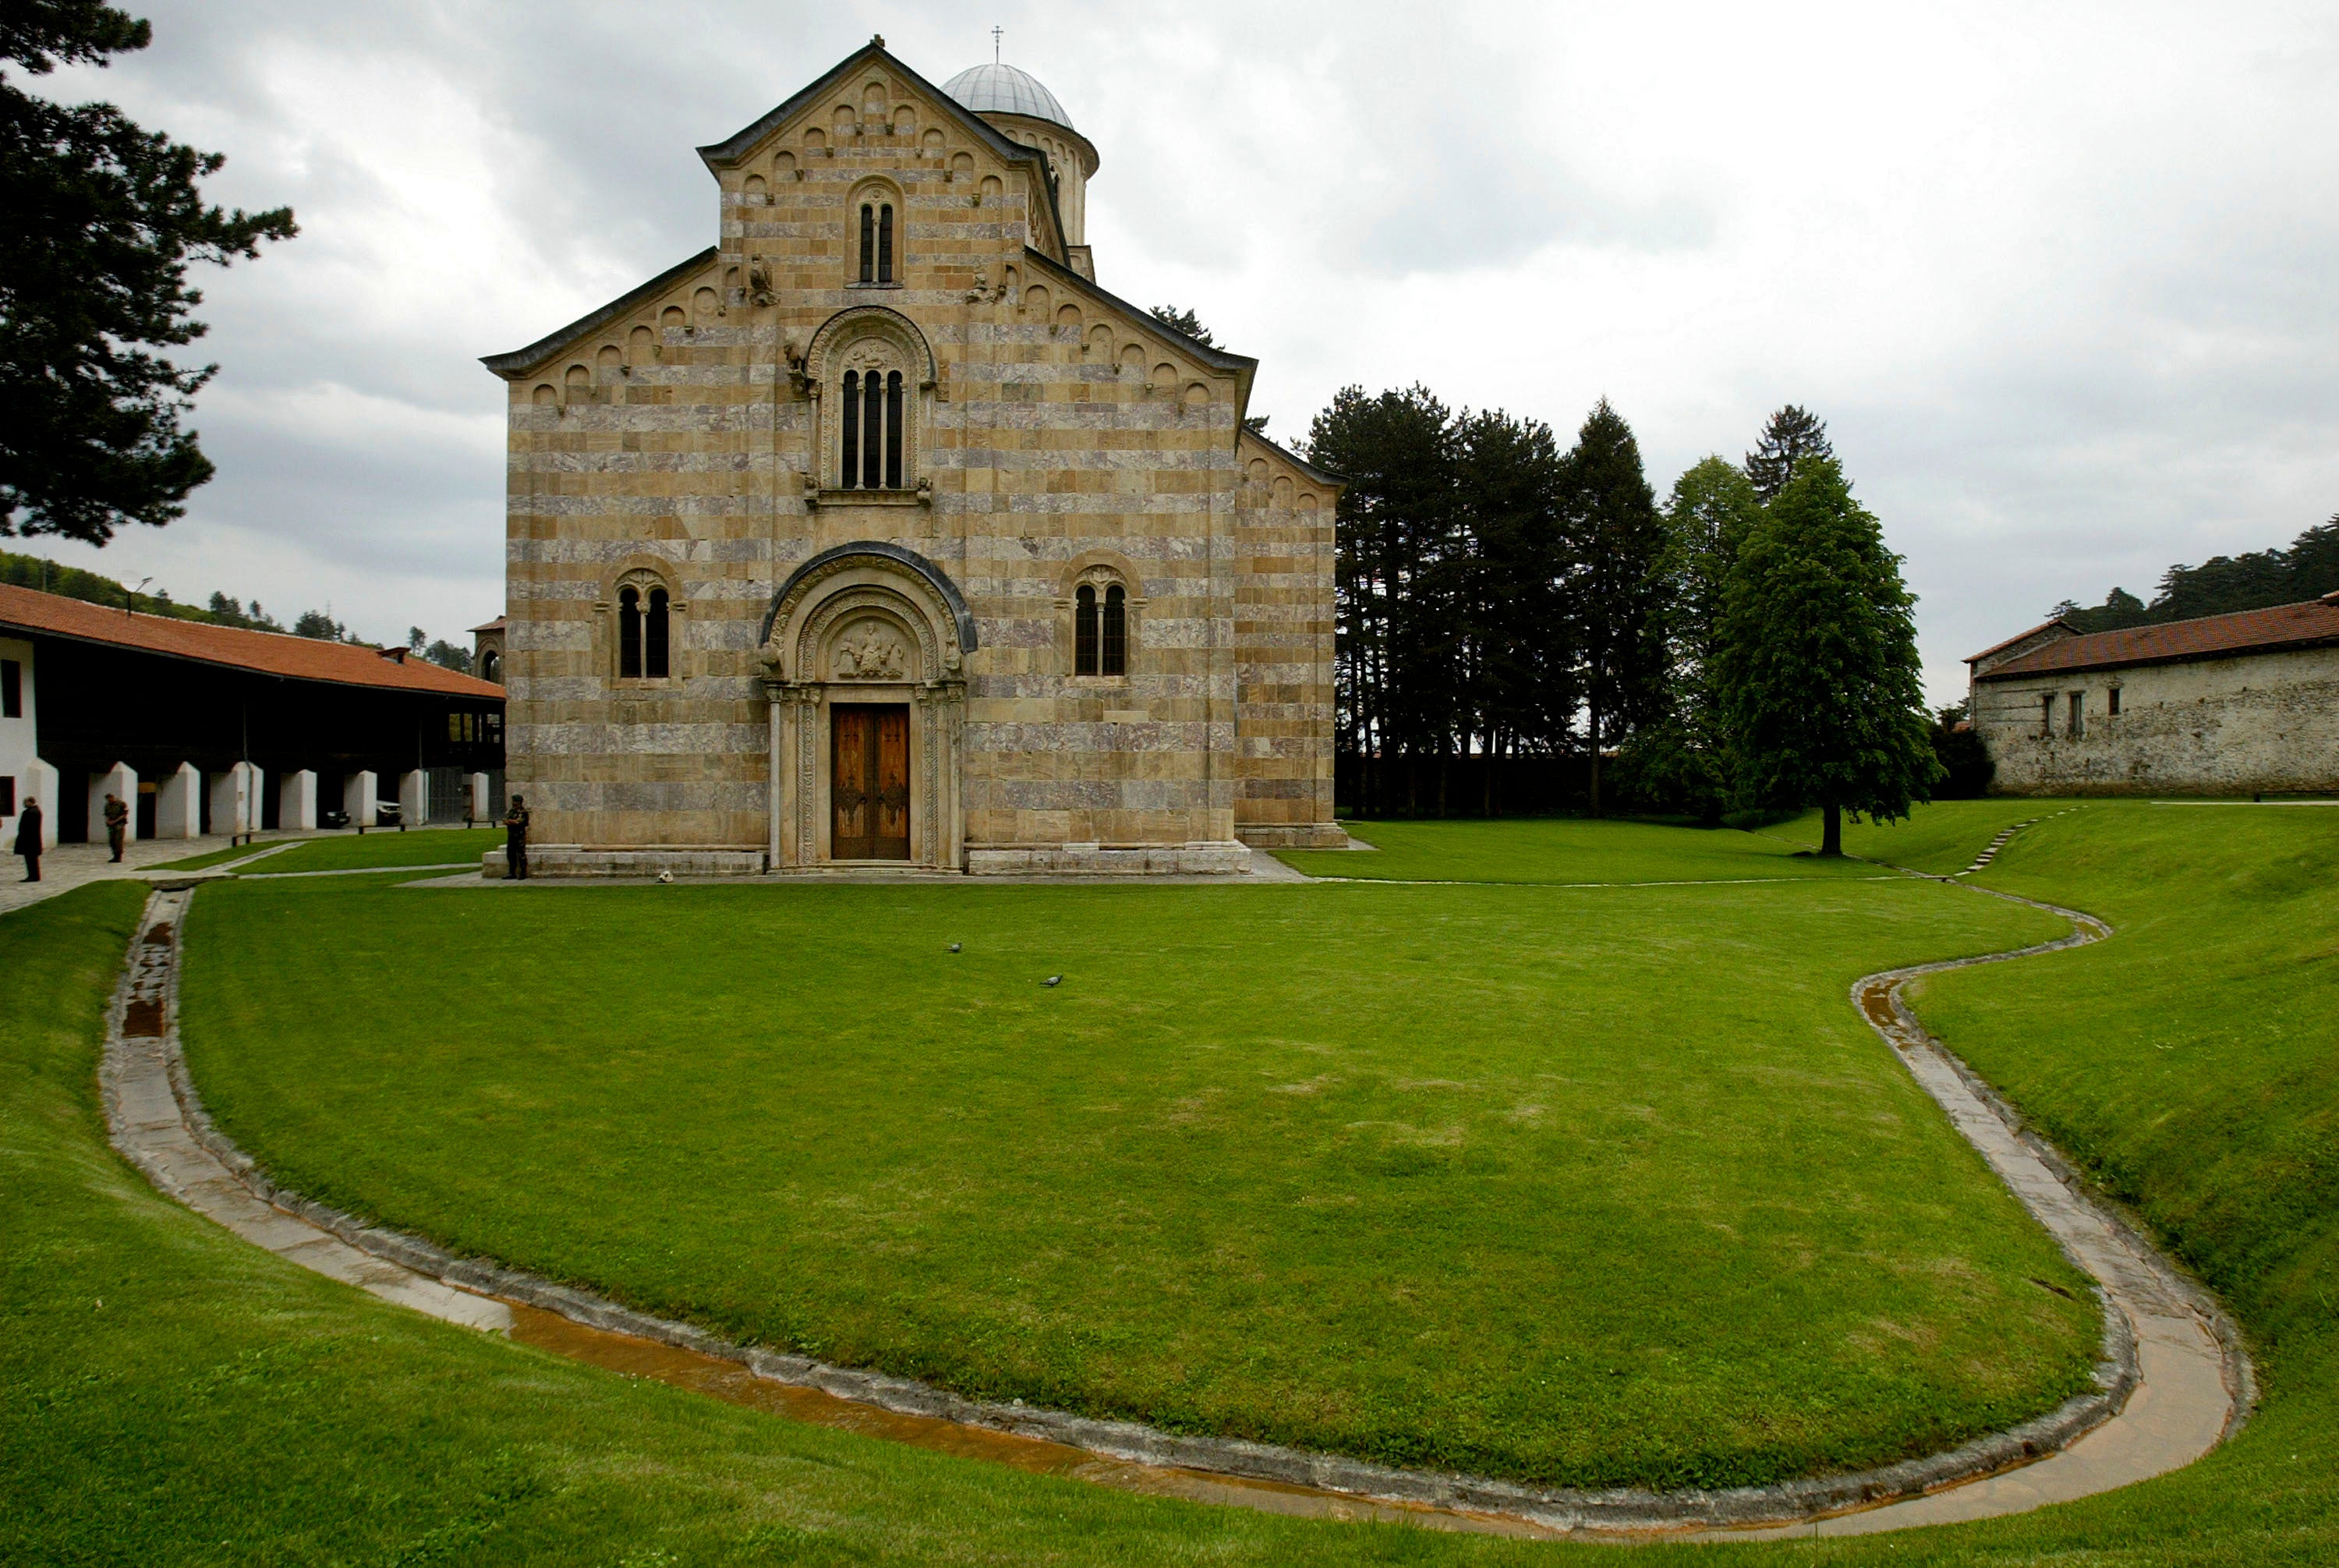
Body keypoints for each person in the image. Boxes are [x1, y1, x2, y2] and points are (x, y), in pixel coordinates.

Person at [503, 792, 530, 881]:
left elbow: (519, 822)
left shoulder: (523, 812)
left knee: (521, 854)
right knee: (510, 854)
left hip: (519, 836)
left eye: (515, 801)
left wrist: (510, 822)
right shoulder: (512, 811)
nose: (513, 803)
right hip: (511, 835)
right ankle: (512, 872)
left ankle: (523, 872)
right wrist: (511, 821)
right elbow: (506, 820)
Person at [13, 795, 41, 883]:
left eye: (26, 802)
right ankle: (34, 875)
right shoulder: (36, 811)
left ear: (30, 802)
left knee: (30, 859)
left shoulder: (30, 812)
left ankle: (33, 876)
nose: (24, 804)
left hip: (29, 840)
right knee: (32, 859)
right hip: (32, 839)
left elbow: (27, 827)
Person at [104, 791, 129, 862]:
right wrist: (108, 821)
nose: (109, 801)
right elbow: (107, 815)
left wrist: (116, 821)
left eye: (110, 799)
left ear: (113, 797)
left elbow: (125, 814)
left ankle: (118, 856)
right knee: (112, 841)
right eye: (108, 800)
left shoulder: (121, 804)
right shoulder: (107, 806)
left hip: (119, 824)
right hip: (111, 825)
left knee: (118, 841)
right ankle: (114, 855)